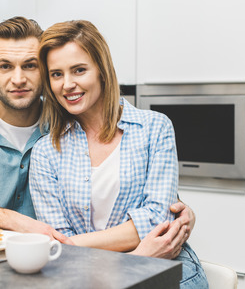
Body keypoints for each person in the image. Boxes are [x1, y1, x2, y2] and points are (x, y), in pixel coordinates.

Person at [0, 16, 194, 257]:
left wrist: (175, 215)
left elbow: (148, 199)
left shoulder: (71, 122)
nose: (18, 79)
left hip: (57, 263)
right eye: (5, 66)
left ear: (43, 72)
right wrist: (4, 217)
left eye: (30, 65)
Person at [29, 20, 208, 288]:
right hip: (88, 277)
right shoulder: (45, 152)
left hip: (166, 272)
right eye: (56, 74)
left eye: (79, 70)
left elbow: (158, 219)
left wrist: (71, 244)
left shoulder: (154, 128)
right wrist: (136, 255)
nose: (67, 84)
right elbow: (60, 250)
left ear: (101, 70)